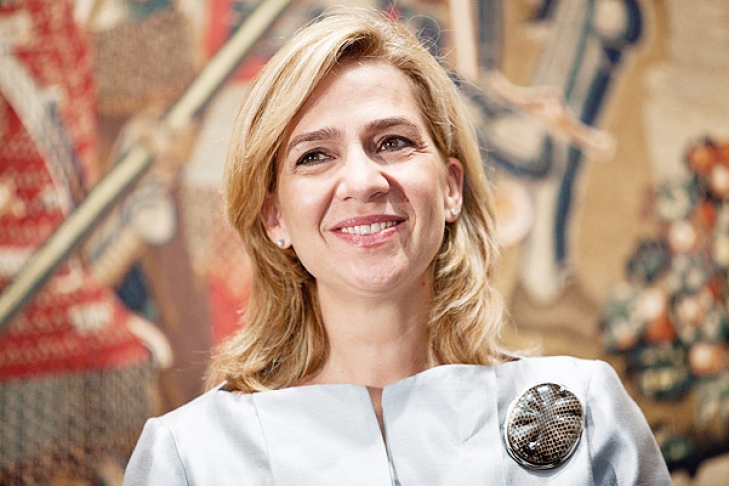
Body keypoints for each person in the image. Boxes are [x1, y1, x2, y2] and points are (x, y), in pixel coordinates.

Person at [123, 7, 672, 485]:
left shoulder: (586, 412)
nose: (363, 181)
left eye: (393, 142)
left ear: (451, 188)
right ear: (275, 217)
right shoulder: (191, 455)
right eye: (315, 156)